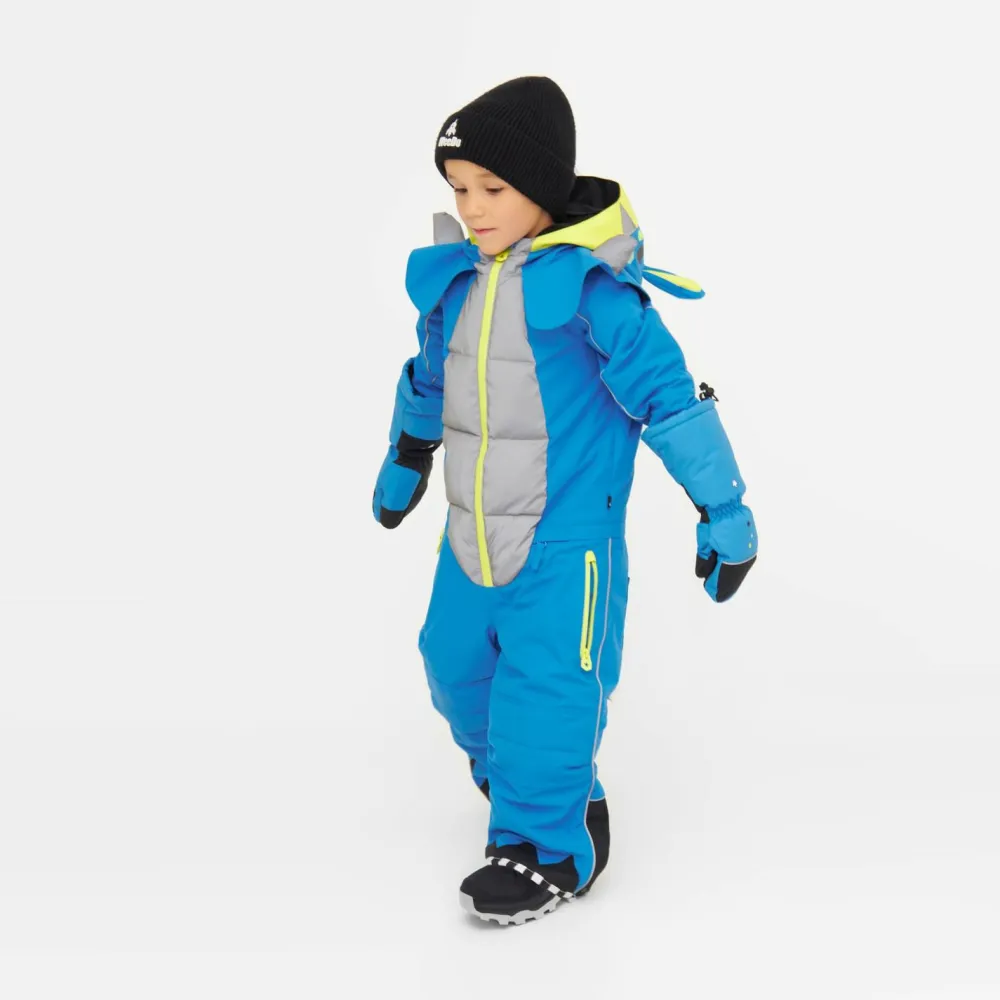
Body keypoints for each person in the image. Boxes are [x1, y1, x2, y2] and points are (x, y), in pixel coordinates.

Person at [372, 75, 758, 925]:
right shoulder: (457, 284)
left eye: (492, 188)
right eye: (459, 188)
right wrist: (407, 454)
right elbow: (430, 378)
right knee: (452, 666)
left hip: (566, 544)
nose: (472, 208)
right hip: (469, 535)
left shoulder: (592, 293)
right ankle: (537, 782)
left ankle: (548, 846)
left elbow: (669, 399)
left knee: (549, 690)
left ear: (541, 187)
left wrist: (723, 510)